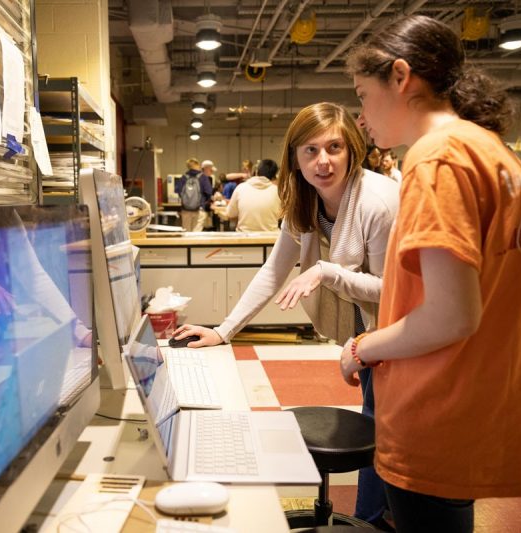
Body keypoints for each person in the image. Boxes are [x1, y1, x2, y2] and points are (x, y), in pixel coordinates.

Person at [345, 15, 521, 532]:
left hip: (436, 410)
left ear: (400, 76)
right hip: (482, 402)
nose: (362, 118)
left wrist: (361, 348)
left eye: (363, 96)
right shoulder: (494, 152)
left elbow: (450, 315)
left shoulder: (437, 158)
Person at [173, 102, 399, 529]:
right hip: (366, 336)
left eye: (334, 147)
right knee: (378, 421)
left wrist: (327, 272)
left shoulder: (378, 202)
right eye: (310, 150)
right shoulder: (305, 200)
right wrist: (223, 331)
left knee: (381, 428)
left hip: (398, 334)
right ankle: (376, 517)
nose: (323, 161)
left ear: (351, 148)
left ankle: (370, 522)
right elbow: (273, 271)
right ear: (295, 157)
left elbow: (396, 292)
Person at [224, 159, 281, 232]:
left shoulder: (241, 188)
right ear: (274, 176)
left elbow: (229, 213)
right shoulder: (277, 191)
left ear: (256, 172)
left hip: (244, 239)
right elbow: (281, 215)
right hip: (270, 240)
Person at [176, 158, 203, 232]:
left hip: (185, 209)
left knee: (186, 231)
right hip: (197, 209)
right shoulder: (202, 177)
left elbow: (177, 190)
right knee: (196, 233)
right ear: (197, 165)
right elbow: (208, 191)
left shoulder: (184, 177)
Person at [197, 160, 217, 230]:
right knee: (197, 231)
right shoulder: (204, 178)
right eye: (211, 170)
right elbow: (209, 194)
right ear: (206, 168)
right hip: (200, 209)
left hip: (195, 208)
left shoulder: (197, 177)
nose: (212, 172)